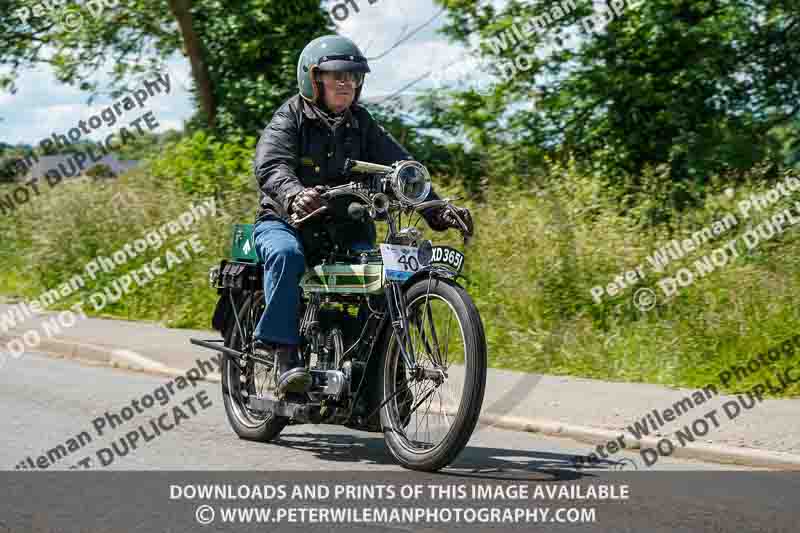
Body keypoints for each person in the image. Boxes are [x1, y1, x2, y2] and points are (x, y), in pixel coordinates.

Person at [252, 35, 473, 397]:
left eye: (352, 77)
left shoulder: (362, 124)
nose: (346, 83)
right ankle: (284, 355)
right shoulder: (289, 117)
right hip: (288, 222)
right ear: (313, 79)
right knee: (285, 256)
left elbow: (405, 171)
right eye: (336, 75)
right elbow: (271, 164)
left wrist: (437, 209)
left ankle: (380, 378)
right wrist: (295, 194)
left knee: (386, 278)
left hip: (346, 227)